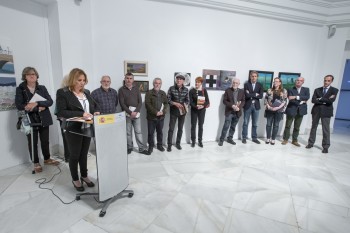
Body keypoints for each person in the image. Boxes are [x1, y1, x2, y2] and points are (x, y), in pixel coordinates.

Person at [56, 68, 99, 191]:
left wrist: (95, 111)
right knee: (74, 155)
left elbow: (93, 106)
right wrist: (81, 114)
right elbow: (62, 111)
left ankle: (84, 176)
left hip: (87, 127)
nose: (82, 83)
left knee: (84, 154)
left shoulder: (87, 92)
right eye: (79, 80)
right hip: (73, 128)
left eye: (84, 80)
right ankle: (75, 179)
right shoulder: (63, 92)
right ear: (72, 79)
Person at [15, 67, 59, 173]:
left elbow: (50, 101)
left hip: (44, 118)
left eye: (34, 74)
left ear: (36, 76)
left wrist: (36, 103)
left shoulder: (42, 88)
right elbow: (20, 105)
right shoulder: (20, 89)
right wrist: (38, 107)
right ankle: (36, 162)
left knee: (45, 141)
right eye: (29, 74)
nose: (32, 76)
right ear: (25, 76)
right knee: (32, 142)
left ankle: (47, 159)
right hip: (30, 120)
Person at [306, 75, 339, 153]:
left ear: (331, 81)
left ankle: (326, 146)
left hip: (326, 112)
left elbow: (331, 101)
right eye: (325, 80)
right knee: (313, 127)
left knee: (326, 129)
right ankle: (310, 143)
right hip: (316, 111)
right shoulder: (317, 90)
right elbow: (313, 100)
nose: (326, 82)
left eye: (328, 80)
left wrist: (320, 98)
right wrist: (325, 100)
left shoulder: (334, 90)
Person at [118, 73, 149, 155]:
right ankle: (129, 147)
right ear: (125, 79)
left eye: (130, 78)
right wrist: (130, 112)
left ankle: (141, 148)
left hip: (136, 114)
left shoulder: (136, 89)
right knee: (128, 133)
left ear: (133, 80)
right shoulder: (121, 90)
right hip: (127, 115)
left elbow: (140, 102)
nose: (129, 80)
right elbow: (122, 104)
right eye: (127, 78)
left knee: (138, 132)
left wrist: (136, 112)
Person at [282, 77, 310, 146]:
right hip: (291, 109)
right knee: (288, 125)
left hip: (301, 110)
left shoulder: (306, 89)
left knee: (297, 126)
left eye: (300, 81)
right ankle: (285, 139)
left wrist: (296, 97)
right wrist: (302, 100)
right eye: (297, 80)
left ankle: (294, 140)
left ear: (303, 82)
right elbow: (290, 99)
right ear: (295, 81)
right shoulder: (290, 89)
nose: (298, 81)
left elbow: (307, 97)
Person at [218, 78, 245, 146]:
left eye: (236, 83)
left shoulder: (242, 91)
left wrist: (239, 107)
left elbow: (243, 101)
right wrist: (232, 106)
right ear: (232, 83)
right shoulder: (227, 90)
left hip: (237, 112)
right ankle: (221, 140)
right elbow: (224, 101)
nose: (235, 84)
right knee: (226, 126)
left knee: (233, 126)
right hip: (229, 112)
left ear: (239, 84)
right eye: (234, 82)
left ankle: (230, 138)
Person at [145, 77, 169, 154]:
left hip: (161, 117)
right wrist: (156, 112)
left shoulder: (163, 93)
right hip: (151, 118)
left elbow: (166, 103)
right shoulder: (149, 93)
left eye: (159, 83)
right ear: (153, 83)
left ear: (161, 84)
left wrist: (164, 111)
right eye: (156, 83)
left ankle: (159, 145)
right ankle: (151, 146)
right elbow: (147, 104)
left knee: (160, 132)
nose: (157, 85)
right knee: (150, 133)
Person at [167, 75, 189, 151]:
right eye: (177, 79)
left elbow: (187, 100)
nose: (179, 80)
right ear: (176, 80)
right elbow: (168, 100)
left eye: (180, 79)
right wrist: (175, 103)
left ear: (183, 81)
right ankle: (169, 145)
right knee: (171, 129)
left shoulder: (186, 89)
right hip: (173, 111)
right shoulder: (171, 88)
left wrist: (184, 105)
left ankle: (178, 144)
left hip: (182, 112)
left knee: (180, 129)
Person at [242, 71, 264, 144]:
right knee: (245, 123)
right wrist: (255, 94)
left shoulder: (260, 85)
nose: (254, 77)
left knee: (255, 124)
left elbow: (260, 96)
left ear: (257, 77)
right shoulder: (246, 84)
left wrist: (251, 94)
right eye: (252, 76)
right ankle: (244, 137)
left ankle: (254, 138)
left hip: (256, 106)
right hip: (248, 106)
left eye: (255, 76)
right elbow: (246, 95)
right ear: (250, 77)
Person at [264, 77, 288, 145]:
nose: (275, 83)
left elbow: (284, 101)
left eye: (277, 81)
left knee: (276, 125)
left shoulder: (284, 91)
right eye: (274, 81)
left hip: (279, 110)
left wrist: (277, 108)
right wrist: (268, 106)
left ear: (280, 83)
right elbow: (265, 99)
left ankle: (273, 139)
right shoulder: (269, 90)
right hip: (269, 110)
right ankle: (268, 138)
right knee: (268, 125)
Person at [189, 76, 210, 147]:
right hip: (194, 110)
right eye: (196, 82)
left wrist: (203, 106)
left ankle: (200, 141)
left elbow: (207, 101)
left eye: (198, 82)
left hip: (202, 111)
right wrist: (196, 106)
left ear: (201, 83)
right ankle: (193, 141)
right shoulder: (191, 91)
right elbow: (190, 102)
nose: (196, 83)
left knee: (200, 126)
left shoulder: (204, 91)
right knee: (193, 126)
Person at [56, 75, 70, 162]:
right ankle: (68, 157)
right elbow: (60, 108)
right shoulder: (61, 91)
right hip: (64, 119)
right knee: (66, 138)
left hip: (76, 119)